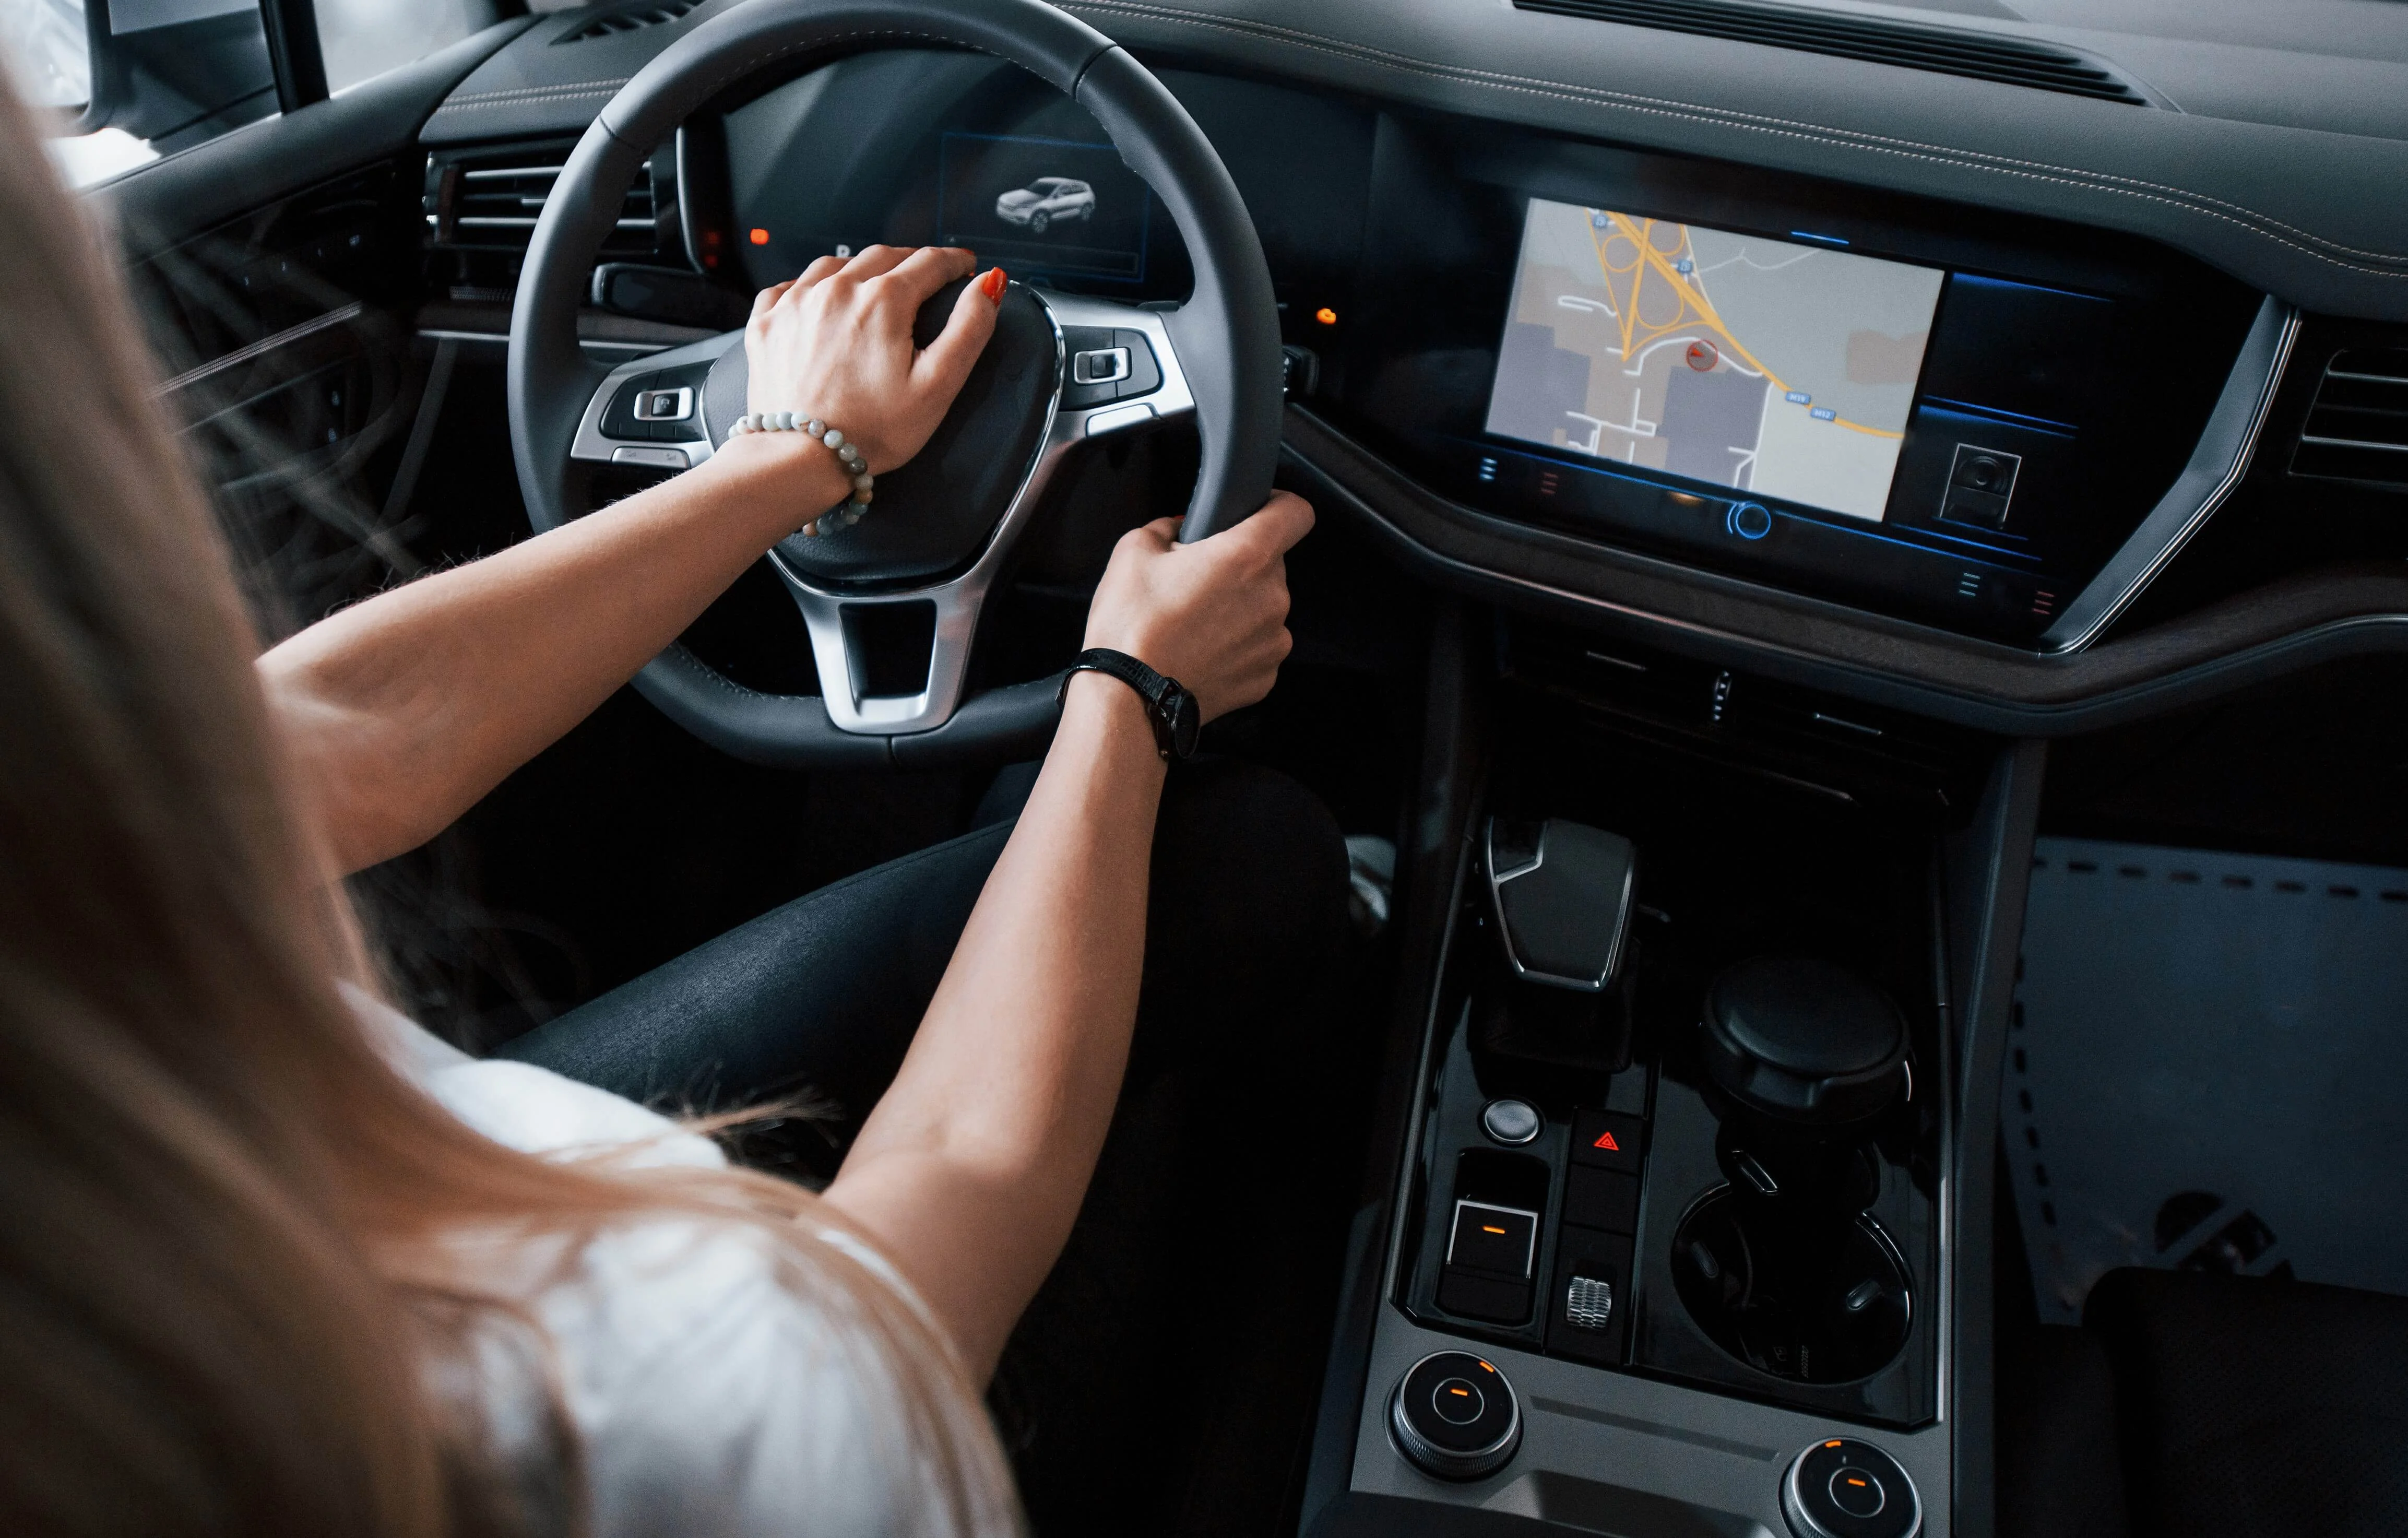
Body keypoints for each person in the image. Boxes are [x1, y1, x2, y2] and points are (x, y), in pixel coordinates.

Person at [0, 60, 1347, 1538]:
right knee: (1253, 851)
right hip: (803, 1364)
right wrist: (1134, 691)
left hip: (393, 1179)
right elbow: (954, 1182)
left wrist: (799, 454)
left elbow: (331, 736)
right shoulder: (639, 1421)